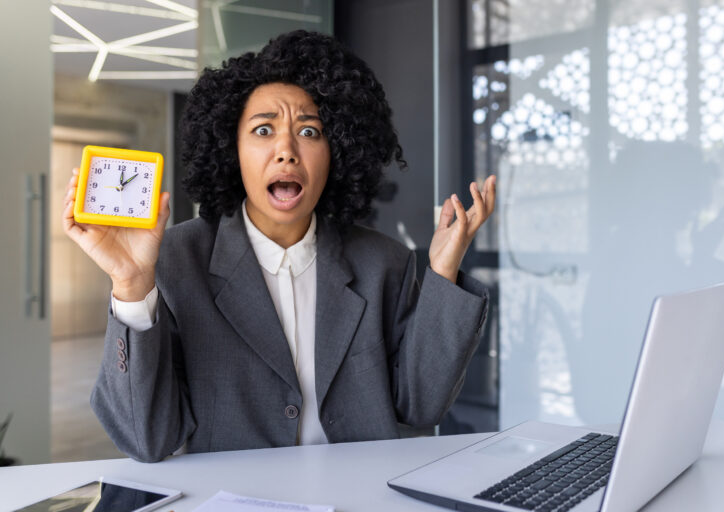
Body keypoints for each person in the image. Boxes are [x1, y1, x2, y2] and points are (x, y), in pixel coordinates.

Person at [62, 30, 496, 463]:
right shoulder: (175, 261)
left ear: (338, 152)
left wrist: (441, 270)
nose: (287, 150)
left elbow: (419, 406)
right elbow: (146, 440)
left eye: (310, 131)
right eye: (264, 130)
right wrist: (132, 284)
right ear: (231, 149)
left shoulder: (383, 263)